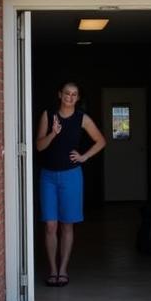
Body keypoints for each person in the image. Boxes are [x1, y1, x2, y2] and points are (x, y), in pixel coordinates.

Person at [35, 81, 106, 287]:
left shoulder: (81, 118)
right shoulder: (48, 116)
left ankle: (63, 270)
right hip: (48, 176)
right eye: (67, 93)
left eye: (74, 94)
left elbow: (101, 141)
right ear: (60, 94)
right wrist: (53, 133)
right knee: (50, 225)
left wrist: (84, 157)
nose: (70, 97)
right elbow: (39, 146)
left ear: (77, 98)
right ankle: (53, 270)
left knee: (67, 225)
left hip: (71, 176)